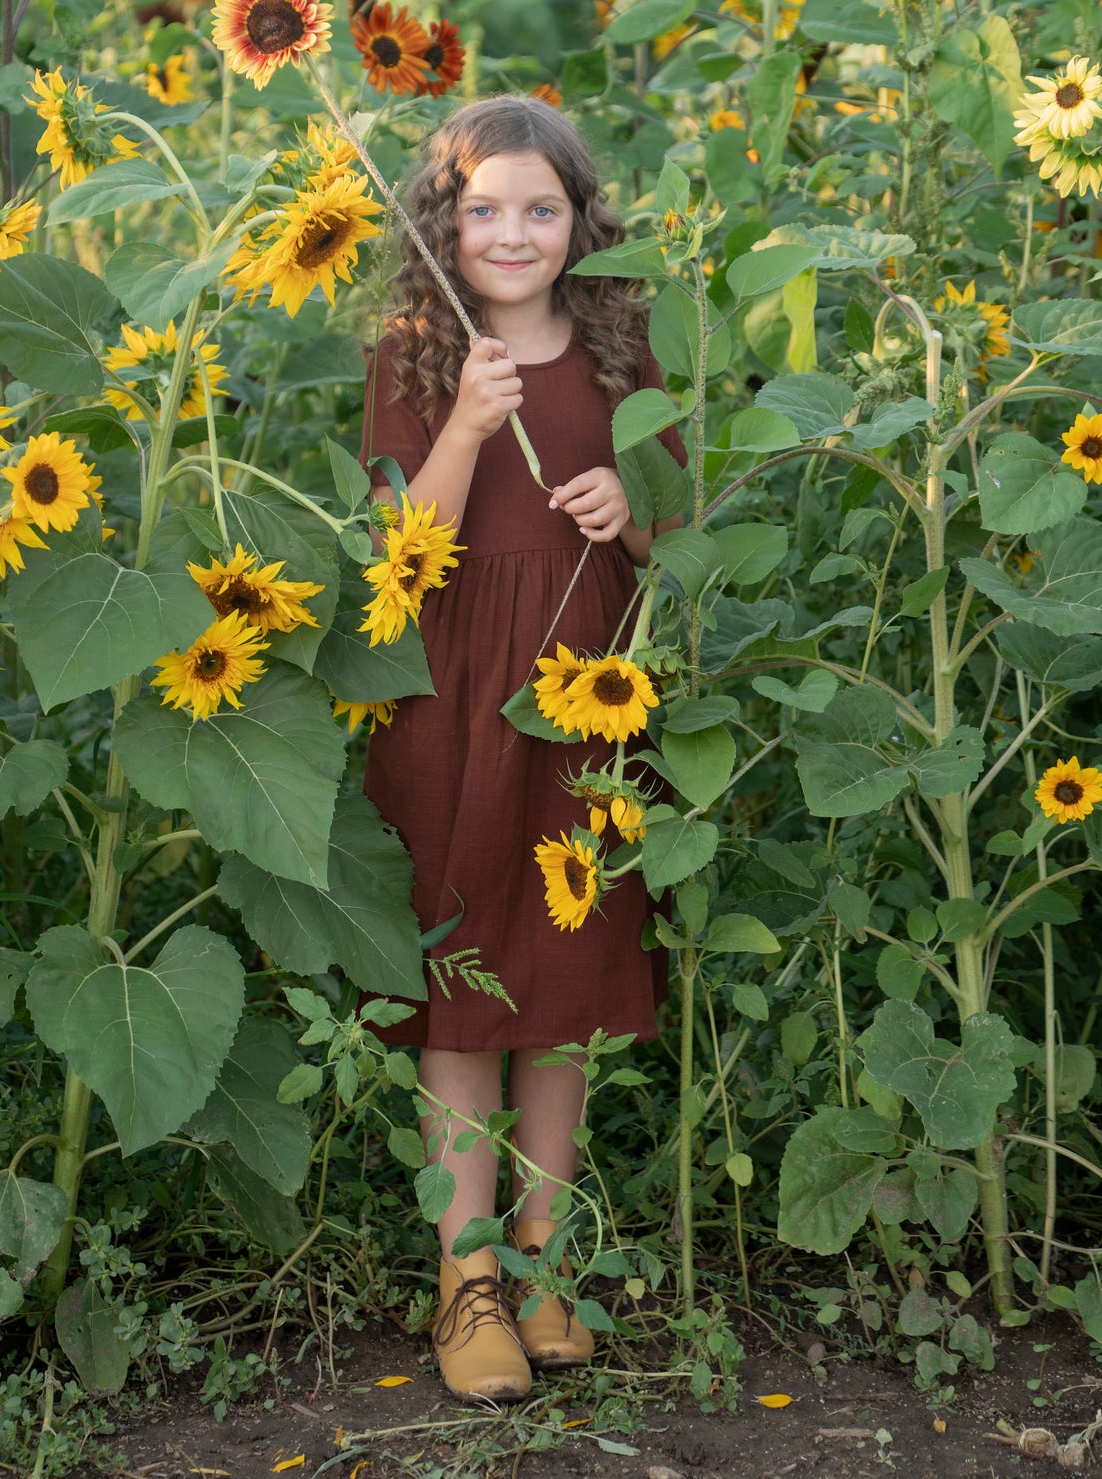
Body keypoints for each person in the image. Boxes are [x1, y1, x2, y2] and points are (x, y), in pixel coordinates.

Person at [359, 94, 685, 1405]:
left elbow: (672, 534)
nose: (511, 232)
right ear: (442, 223)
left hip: (582, 688)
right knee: (463, 969)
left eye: (538, 209)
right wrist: (466, 431)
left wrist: (627, 507)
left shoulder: (618, 352)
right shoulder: (417, 356)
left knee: (565, 977)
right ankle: (467, 1278)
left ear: (576, 221)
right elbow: (397, 552)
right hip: (445, 692)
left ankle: (545, 1263)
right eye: (481, 208)